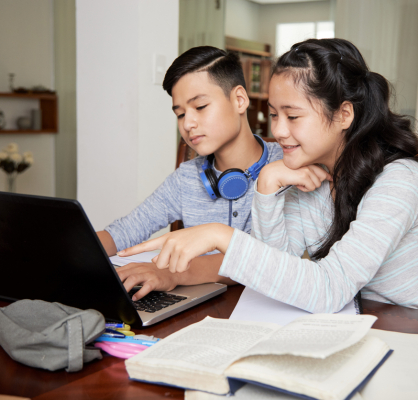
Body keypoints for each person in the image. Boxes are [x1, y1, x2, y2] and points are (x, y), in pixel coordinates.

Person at [121, 38, 418, 315]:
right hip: (347, 333)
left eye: (293, 116)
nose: (279, 131)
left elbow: (329, 290)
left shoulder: (401, 180)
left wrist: (220, 235)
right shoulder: (307, 178)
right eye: (272, 114)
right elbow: (278, 273)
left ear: (344, 113)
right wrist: (266, 185)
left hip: (413, 338)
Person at [98, 46, 283, 300]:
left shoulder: (286, 163)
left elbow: (266, 256)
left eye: (201, 106)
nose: (187, 124)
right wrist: (74, 250)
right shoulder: (187, 177)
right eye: (181, 114)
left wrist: (173, 274)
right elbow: (124, 231)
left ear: (239, 100)